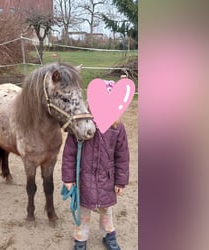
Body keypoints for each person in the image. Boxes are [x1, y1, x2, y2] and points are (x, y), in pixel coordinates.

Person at [61, 80, 130, 250]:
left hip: (106, 180)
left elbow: (122, 157)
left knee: (106, 212)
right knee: (83, 213)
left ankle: (109, 236)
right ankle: (80, 240)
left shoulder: (118, 128)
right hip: (83, 179)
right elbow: (69, 154)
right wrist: (68, 178)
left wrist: (120, 181)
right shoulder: (80, 126)